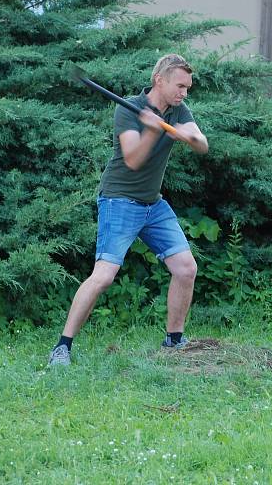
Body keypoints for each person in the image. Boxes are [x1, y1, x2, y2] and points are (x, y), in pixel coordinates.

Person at [48, 53, 209, 366]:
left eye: (188, 87)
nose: (184, 92)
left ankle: (174, 341)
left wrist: (188, 135)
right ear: (159, 80)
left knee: (186, 269)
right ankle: (62, 347)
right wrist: (151, 129)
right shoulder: (128, 110)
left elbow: (202, 145)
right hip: (120, 200)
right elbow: (133, 160)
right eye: (180, 86)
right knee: (104, 276)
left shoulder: (178, 109)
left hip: (153, 204)